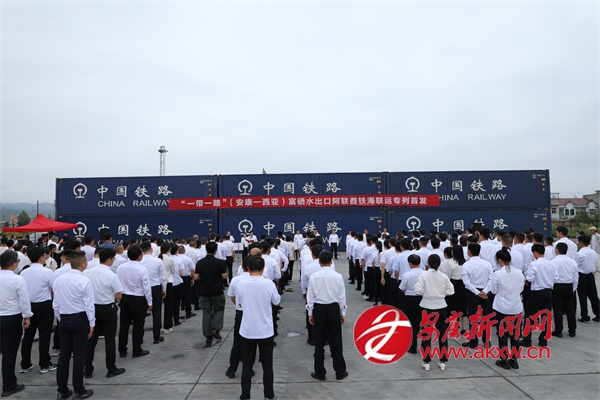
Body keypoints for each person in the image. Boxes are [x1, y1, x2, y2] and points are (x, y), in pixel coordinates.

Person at [236, 256, 281, 400]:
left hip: (247, 330)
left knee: (247, 365)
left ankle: (245, 396)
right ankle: (269, 395)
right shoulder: (269, 284)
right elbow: (277, 301)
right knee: (267, 365)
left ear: (248, 269)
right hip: (265, 331)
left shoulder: (242, 284)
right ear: (263, 269)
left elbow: (240, 303)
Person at [53, 250, 95, 399]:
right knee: (78, 355)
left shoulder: (59, 279)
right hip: (80, 318)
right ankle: (79, 389)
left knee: (64, 355)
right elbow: (89, 305)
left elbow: (55, 303)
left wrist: (60, 318)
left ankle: (62, 390)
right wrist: (91, 323)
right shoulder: (84, 281)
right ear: (83, 264)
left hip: (64, 318)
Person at [83, 249, 125, 379]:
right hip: (107, 308)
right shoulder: (111, 275)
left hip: (92, 308)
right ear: (109, 260)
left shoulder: (88, 272)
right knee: (110, 339)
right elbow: (119, 295)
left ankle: (88, 370)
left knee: (91, 339)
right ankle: (111, 368)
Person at [307, 250, 348, 381]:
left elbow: (310, 296)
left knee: (319, 341)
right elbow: (341, 296)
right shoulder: (338, 276)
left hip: (319, 308)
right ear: (331, 262)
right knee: (336, 339)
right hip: (333, 308)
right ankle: (340, 371)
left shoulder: (314, 276)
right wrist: (343, 313)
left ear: (319, 262)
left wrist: (310, 313)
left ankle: (320, 372)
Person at [19, 247, 56, 375]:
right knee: (45, 335)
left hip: (29, 305)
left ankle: (25, 364)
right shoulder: (47, 272)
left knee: (28, 335)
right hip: (44, 305)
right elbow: (54, 289)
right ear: (41, 257)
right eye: (45, 255)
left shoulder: (24, 273)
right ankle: (44, 364)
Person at [414, 254, 454, 371]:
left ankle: (426, 361)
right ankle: (442, 361)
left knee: (426, 334)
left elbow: (417, 291)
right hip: (441, 306)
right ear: (439, 263)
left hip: (427, 306)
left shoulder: (423, 275)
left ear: (428, 263)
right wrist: (441, 295)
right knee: (443, 334)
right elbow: (451, 291)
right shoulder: (444, 276)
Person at [0, 251, 32, 397]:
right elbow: (24, 300)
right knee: (9, 353)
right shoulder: (17, 279)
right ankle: (9, 385)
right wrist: (27, 316)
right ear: (13, 264)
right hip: (11, 318)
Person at [490, 249, 524, 370]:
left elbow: (493, 290)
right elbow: (521, 288)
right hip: (516, 307)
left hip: (502, 307)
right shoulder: (519, 272)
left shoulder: (498, 274)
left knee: (502, 334)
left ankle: (503, 359)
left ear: (499, 260)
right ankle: (514, 360)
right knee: (515, 335)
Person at [117, 245, 152, 358]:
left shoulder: (120, 268)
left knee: (124, 325)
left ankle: (122, 350)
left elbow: (118, 284)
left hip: (124, 298)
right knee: (138, 325)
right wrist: (150, 302)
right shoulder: (142, 269)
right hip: (138, 299)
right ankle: (136, 350)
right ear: (139, 256)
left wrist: (119, 299)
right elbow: (146, 287)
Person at [521, 244, 558, 348]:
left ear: (535, 252)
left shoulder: (534, 264)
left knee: (530, 315)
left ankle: (527, 340)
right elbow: (556, 278)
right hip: (548, 292)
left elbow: (530, 278)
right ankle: (543, 340)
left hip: (536, 292)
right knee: (546, 316)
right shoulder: (552, 264)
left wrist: (527, 280)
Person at [193, 241, 227, 347]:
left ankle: (207, 333)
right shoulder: (220, 262)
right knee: (219, 309)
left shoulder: (200, 263)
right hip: (217, 291)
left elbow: (196, 277)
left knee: (206, 312)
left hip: (204, 291)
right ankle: (215, 328)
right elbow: (224, 276)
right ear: (215, 251)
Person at [461, 243, 493, 349]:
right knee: (486, 317)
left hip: (472, 292)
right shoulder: (487, 264)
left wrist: (477, 292)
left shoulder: (466, 265)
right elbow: (491, 279)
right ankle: (487, 341)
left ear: (469, 252)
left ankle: (473, 341)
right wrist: (485, 291)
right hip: (485, 292)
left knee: (473, 317)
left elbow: (466, 282)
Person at [225, 256, 251, 379]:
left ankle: (232, 369)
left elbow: (232, 297)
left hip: (240, 312)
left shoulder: (235, 280)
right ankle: (248, 369)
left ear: (242, 267)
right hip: (252, 314)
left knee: (237, 341)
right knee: (250, 343)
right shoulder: (260, 280)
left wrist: (238, 305)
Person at [140, 242, 167, 345]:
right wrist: (164, 289)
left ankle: (139, 338)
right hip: (155, 288)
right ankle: (156, 337)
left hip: (142, 289)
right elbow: (163, 276)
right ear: (151, 249)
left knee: (141, 314)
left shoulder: (139, 261)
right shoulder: (158, 261)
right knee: (156, 313)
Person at [551, 243, 578, 337]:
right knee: (570, 309)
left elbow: (551, 276)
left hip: (557, 286)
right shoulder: (572, 262)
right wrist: (574, 288)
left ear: (557, 250)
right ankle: (572, 330)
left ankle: (558, 330)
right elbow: (576, 277)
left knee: (557, 309)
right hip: (568, 286)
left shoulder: (553, 262)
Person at [400, 254, 424, 354]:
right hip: (422, 298)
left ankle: (413, 347)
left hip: (410, 298)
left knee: (413, 322)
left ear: (410, 263)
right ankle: (424, 346)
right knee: (423, 321)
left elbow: (402, 288)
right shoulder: (424, 273)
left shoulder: (406, 275)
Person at [575, 235, 600, 322]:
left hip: (582, 276)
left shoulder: (579, 254)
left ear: (581, 243)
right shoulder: (593, 252)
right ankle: (598, 313)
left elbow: (576, 265)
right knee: (593, 295)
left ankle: (584, 315)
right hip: (591, 275)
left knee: (582, 296)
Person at [158, 243, 175, 334]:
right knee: (168, 306)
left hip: (159, 284)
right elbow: (173, 271)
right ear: (168, 249)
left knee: (158, 307)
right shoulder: (169, 259)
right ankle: (167, 326)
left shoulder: (157, 258)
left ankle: (158, 326)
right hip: (168, 283)